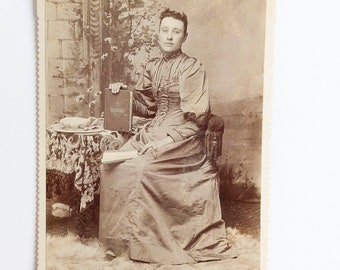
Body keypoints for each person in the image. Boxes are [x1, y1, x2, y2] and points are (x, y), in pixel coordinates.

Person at [99, 8, 230, 265]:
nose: (170, 36)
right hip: (153, 131)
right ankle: (119, 243)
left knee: (142, 169)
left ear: (184, 36)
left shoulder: (192, 68)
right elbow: (148, 108)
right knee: (113, 165)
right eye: (165, 30)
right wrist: (125, 94)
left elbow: (197, 120)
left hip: (183, 139)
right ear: (158, 33)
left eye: (176, 32)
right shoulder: (152, 66)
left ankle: (145, 246)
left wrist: (165, 142)